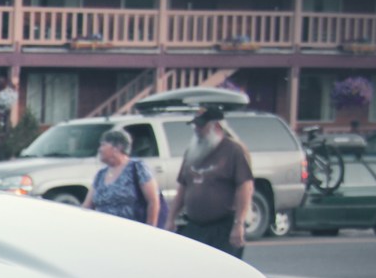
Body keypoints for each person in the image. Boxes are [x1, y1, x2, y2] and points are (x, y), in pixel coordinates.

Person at [168, 105, 255, 258]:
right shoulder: (192, 151)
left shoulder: (233, 151)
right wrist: (171, 218)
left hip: (222, 227)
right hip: (195, 226)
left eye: (201, 126)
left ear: (217, 126)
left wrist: (239, 223)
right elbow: (182, 187)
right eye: (195, 125)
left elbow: (245, 187)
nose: (197, 129)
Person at [82, 128, 160, 227]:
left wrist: (150, 228)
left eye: (103, 145)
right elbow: (87, 205)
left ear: (117, 148)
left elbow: (153, 200)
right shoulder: (101, 174)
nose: (99, 149)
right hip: (103, 230)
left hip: (130, 230)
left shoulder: (137, 168)